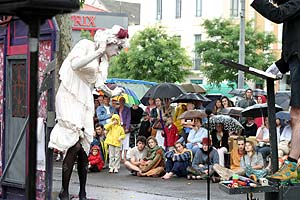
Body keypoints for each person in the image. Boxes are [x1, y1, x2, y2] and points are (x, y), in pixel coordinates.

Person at [48, 25, 128, 200]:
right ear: (110, 42)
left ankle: (83, 192)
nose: (118, 52)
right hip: (69, 92)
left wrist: (112, 93)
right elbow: (75, 65)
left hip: (84, 96)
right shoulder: (86, 45)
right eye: (119, 47)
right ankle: (64, 191)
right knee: (74, 144)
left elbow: (99, 85)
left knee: (84, 147)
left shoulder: (104, 61)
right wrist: (98, 51)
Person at [251, 0, 300, 180]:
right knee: (296, 116)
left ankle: (292, 164)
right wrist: (276, 67)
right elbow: (293, 48)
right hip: (295, 63)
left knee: (297, 116)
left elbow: (277, 15)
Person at [116, 96, 131, 162]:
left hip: (125, 126)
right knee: (119, 141)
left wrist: (127, 127)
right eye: (120, 101)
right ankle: (119, 157)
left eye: (122, 101)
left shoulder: (127, 109)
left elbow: (128, 118)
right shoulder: (117, 109)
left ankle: (124, 156)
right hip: (119, 126)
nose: (121, 102)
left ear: (124, 102)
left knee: (126, 141)